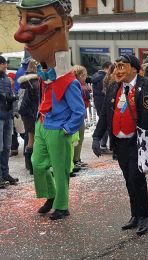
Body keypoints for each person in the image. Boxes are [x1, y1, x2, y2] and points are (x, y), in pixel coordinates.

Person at [15, 0, 86, 220]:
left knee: (60, 168)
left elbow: (79, 111)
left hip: (58, 128)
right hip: (43, 123)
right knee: (37, 163)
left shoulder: (70, 82)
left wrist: (67, 129)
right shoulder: (47, 76)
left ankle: (62, 206)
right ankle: (50, 194)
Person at [92, 54, 148, 235]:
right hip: (120, 142)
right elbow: (104, 114)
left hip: (138, 141)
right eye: (116, 67)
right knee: (128, 180)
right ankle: (135, 215)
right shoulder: (113, 87)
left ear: (133, 68)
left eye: (121, 66)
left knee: (136, 179)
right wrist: (96, 137)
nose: (117, 71)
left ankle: (144, 216)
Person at [0, 56, 19, 187]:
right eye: (3, 64)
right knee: (0, 147)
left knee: (7, 147)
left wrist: (14, 111)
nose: (6, 66)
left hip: (7, 116)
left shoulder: (7, 79)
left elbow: (11, 95)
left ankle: (5, 173)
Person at [18, 59, 39, 175]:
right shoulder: (34, 82)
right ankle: (32, 167)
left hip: (26, 114)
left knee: (29, 138)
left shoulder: (24, 81)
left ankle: (29, 165)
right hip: (32, 114)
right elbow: (36, 101)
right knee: (33, 139)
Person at [72, 65, 90, 171]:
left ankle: (77, 158)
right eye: (84, 75)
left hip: (80, 114)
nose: (85, 77)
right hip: (77, 116)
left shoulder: (80, 84)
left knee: (80, 138)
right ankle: (75, 160)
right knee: (77, 138)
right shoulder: (77, 84)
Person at [92, 61, 112, 152]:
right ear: (107, 67)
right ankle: (103, 145)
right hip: (104, 102)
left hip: (98, 102)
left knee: (102, 121)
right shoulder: (104, 77)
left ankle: (102, 144)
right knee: (106, 122)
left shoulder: (95, 76)